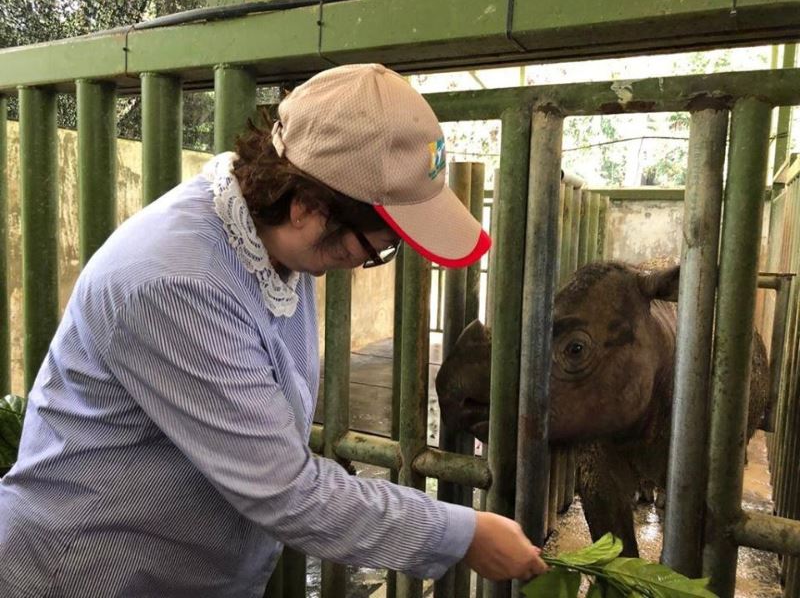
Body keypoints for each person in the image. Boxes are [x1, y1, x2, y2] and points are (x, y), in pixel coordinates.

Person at [0, 63, 547, 597]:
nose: (367, 262)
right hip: (86, 571)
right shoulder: (177, 282)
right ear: (307, 207)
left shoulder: (271, 241)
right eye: (376, 247)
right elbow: (285, 490)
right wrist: (461, 534)